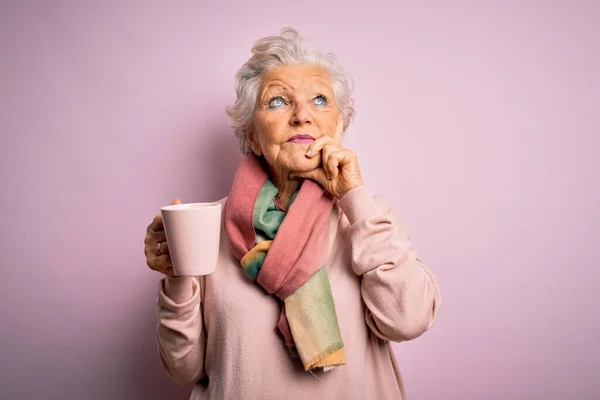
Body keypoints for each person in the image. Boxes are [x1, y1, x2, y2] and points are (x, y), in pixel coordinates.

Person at [144, 27, 441, 400]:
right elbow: (183, 368)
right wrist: (176, 277)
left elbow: (409, 319)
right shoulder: (207, 226)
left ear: (339, 125)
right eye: (278, 102)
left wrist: (354, 196)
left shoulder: (369, 216)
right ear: (251, 135)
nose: (302, 115)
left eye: (319, 100)